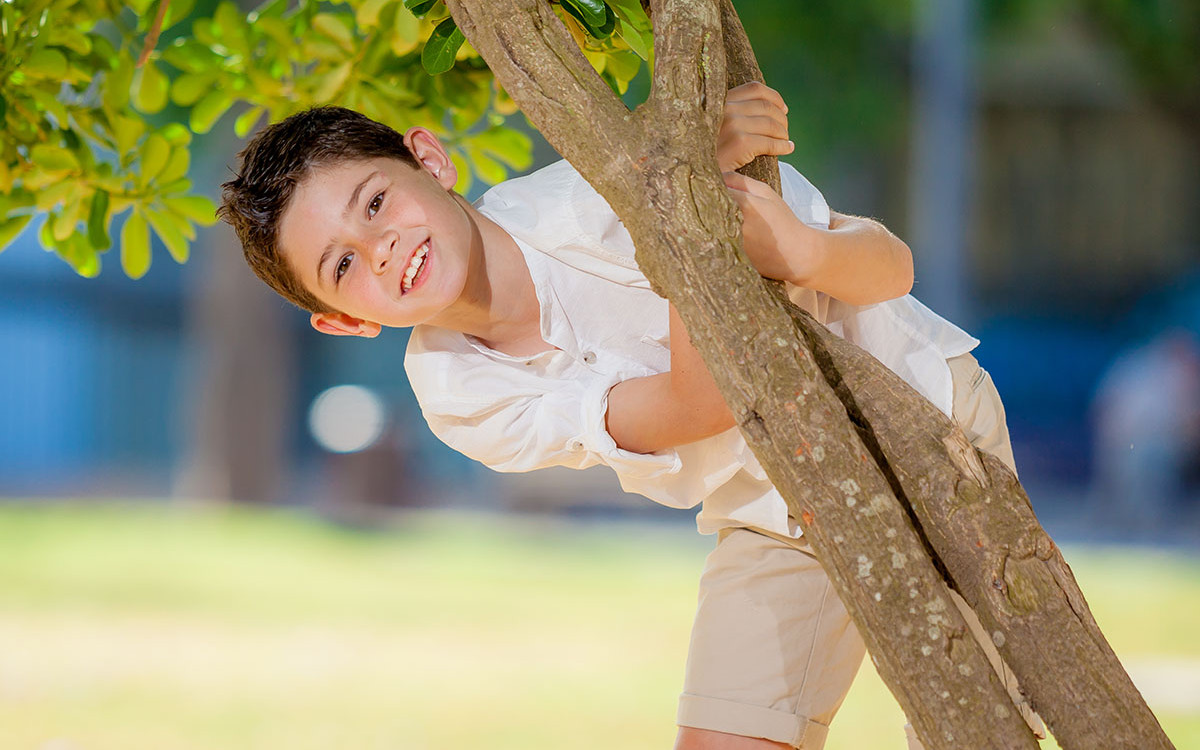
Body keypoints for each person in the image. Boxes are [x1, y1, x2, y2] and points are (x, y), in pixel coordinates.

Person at [217, 83, 1041, 749]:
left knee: (979, 719)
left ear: (429, 159)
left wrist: (798, 250)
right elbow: (700, 401)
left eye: (374, 204)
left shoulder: (584, 194)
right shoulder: (460, 392)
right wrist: (681, 215)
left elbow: (890, 267)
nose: (383, 249)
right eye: (344, 266)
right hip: (774, 503)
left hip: (912, 414)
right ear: (344, 320)